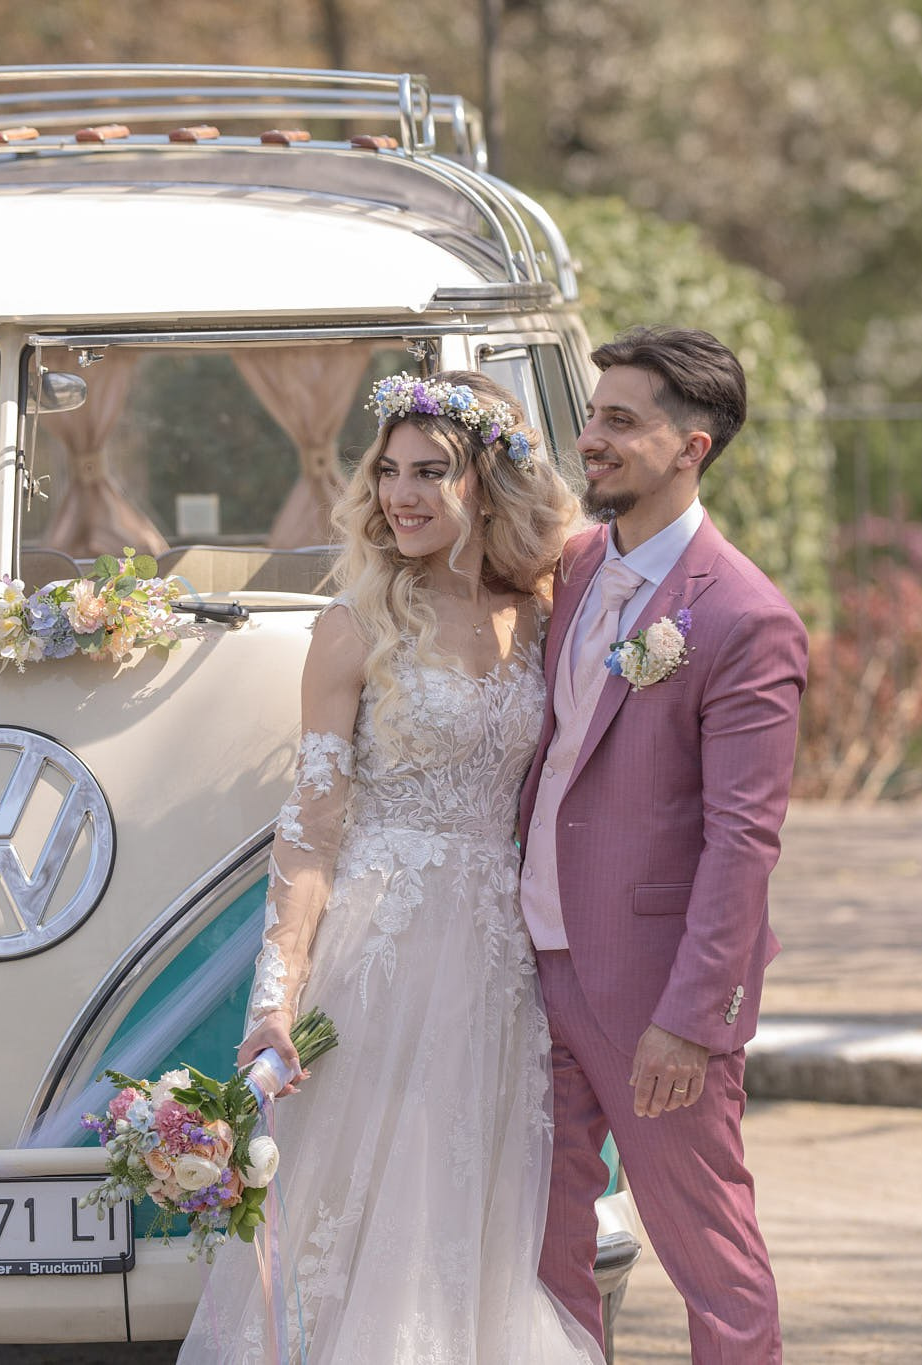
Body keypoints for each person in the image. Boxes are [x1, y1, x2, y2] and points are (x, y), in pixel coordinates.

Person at [177, 370, 603, 1364]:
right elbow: (310, 830)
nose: (400, 495)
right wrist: (275, 996)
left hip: (497, 959)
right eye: (388, 473)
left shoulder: (540, 614)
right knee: (364, 1210)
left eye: (431, 473)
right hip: (381, 950)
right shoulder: (353, 626)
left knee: (467, 1214)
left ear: (485, 486)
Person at [521, 326, 807, 1363]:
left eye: (620, 423)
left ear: (690, 445)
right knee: (536, 1250)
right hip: (527, 969)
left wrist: (691, 1019)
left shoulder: (742, 617)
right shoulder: (573, 566)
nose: (589, 439)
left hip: (653, 998)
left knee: (707, 1257)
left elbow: (742, 843)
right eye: (592, 417)